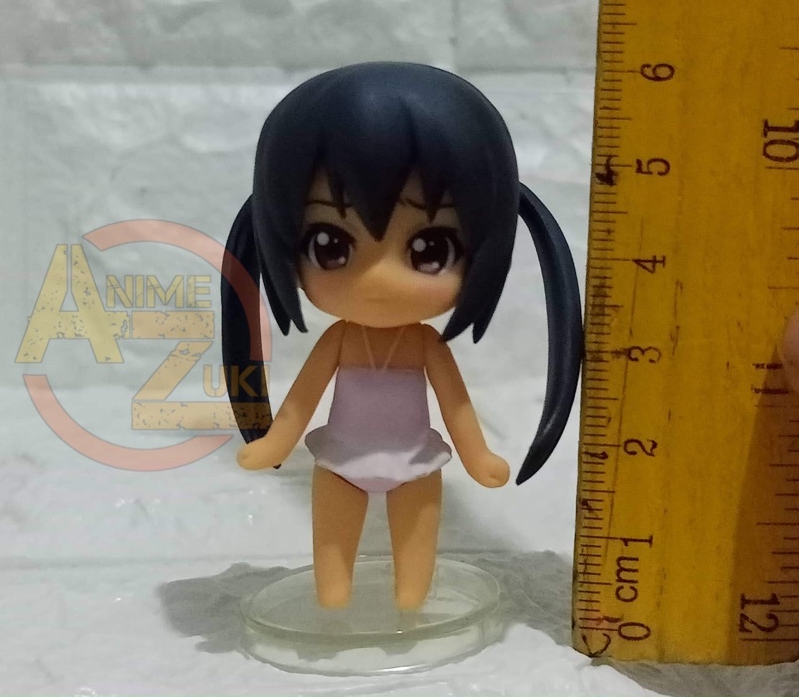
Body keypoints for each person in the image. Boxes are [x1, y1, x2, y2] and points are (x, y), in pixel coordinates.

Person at [221, 62, 582, 609]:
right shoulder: (339, 341)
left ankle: (412, 597)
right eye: (330, 246)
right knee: (334, 548)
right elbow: (302, 400)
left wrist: (477, 455)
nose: (379, 280)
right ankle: (334, 594)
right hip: (340, 461)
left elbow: (456, 405)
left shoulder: (424, 347)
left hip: (415, 463)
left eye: (430, 249)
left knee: (415, 553)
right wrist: (275, 442)